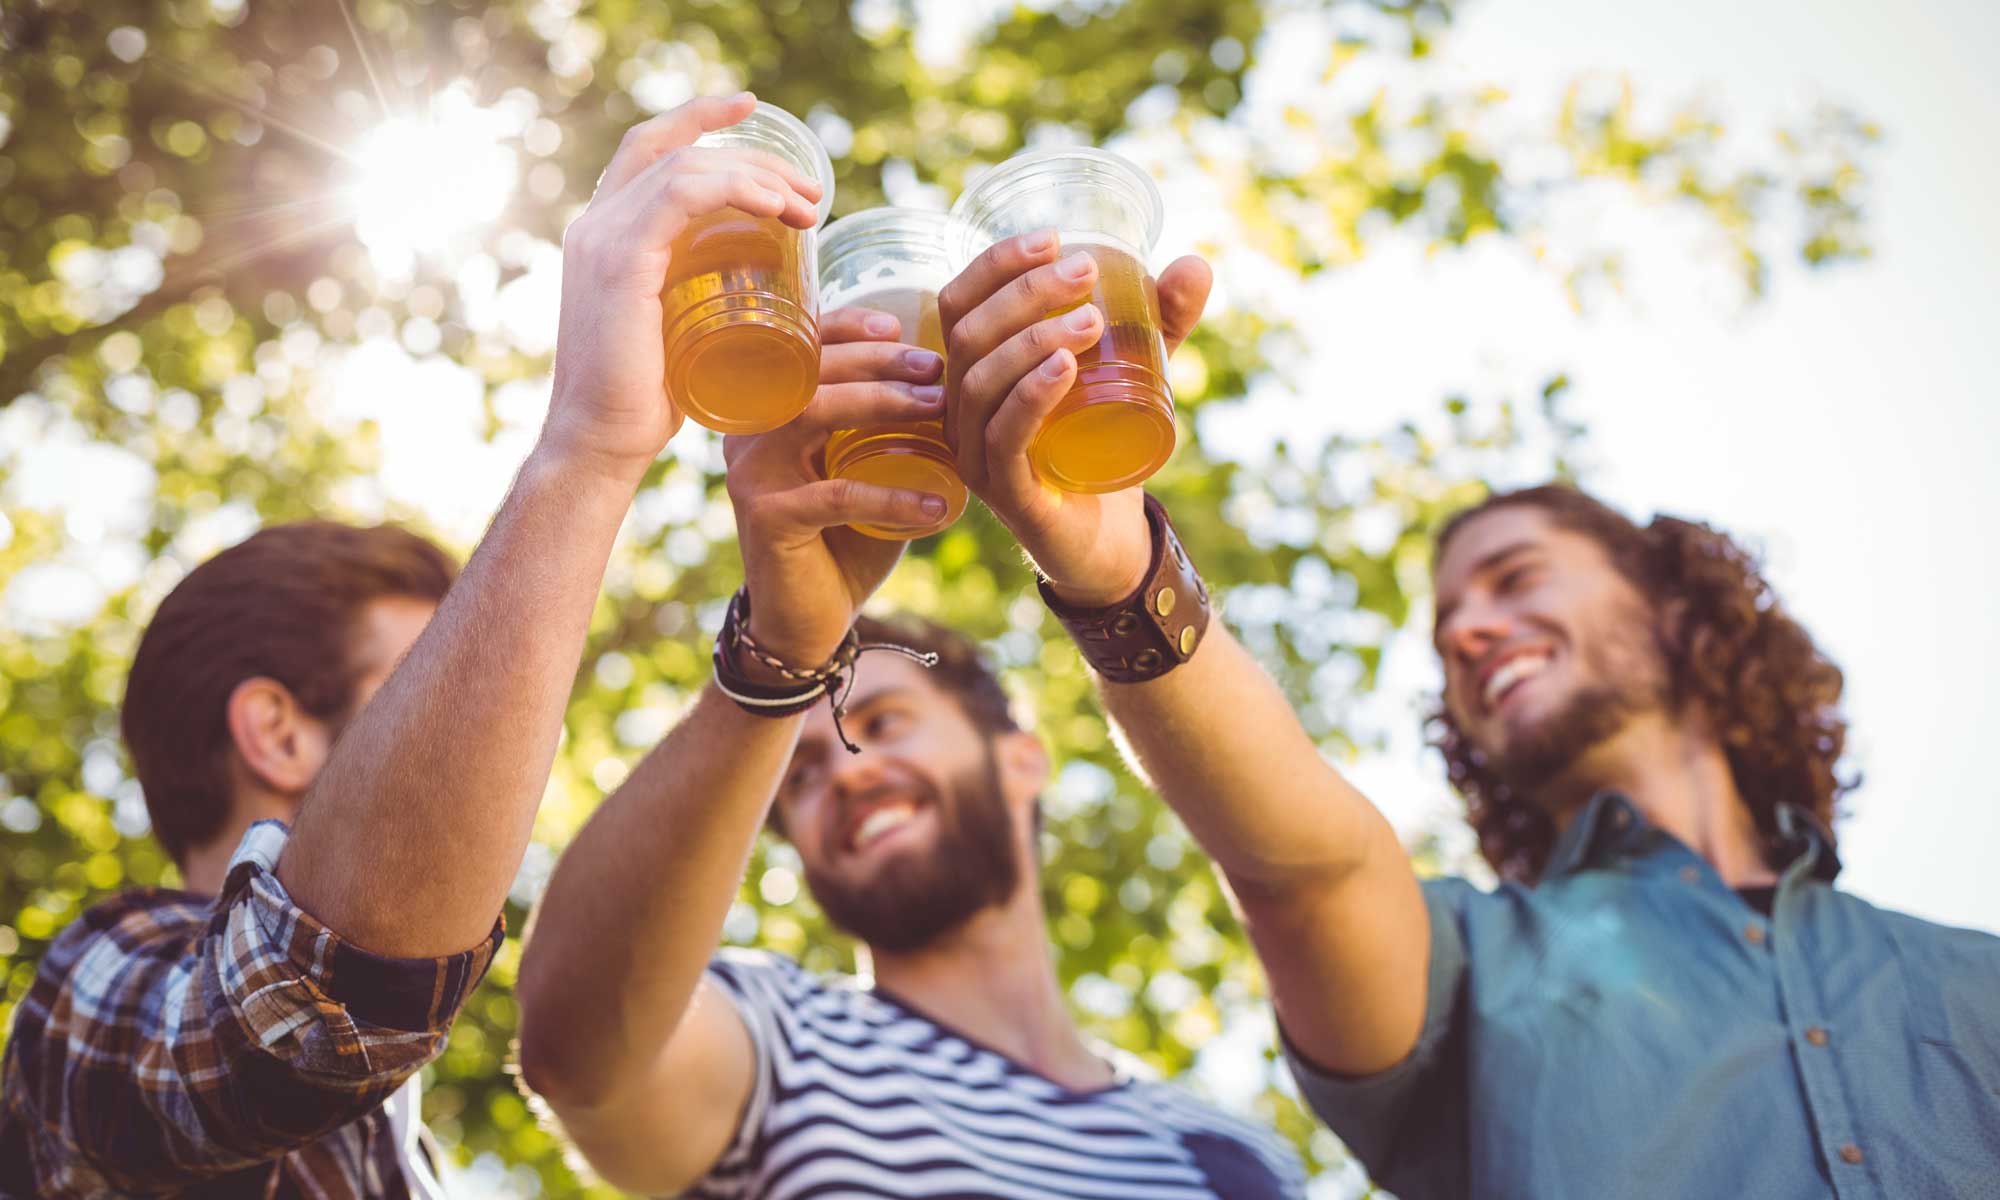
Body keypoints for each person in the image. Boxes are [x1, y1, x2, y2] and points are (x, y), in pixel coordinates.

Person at [934, 236, 2000, 1200]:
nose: (1469, 634)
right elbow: (1302, 865)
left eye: (1514, 578)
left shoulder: (1972, 982)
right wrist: (1120, 576)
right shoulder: (1462, 962)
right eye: (1446, 628)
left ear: (1675, 610)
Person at [0, 91, 826, 1198]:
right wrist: (585, 449)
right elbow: (302, 1011)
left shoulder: (408, 1162)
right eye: (419, 675)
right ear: (276, 731)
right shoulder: (89, 989)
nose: (498, 719)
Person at [512, 287, 1307, 1196]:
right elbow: (576, 1055)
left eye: (884, 722)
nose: (845, 773)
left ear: (1021, 759)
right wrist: (782, 656)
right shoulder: (777, 1038)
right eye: (799, 776)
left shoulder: (1227, 1160)